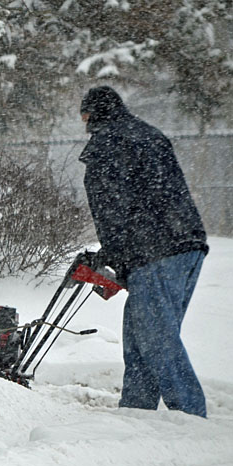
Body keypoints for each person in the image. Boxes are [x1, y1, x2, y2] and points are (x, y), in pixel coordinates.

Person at [78, 86, 208, 417]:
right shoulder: (146, 134)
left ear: (94, 113)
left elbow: (113, 209)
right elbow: (152, 194)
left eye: (84, 114)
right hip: (187, 245)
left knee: (155, 337)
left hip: (156, 251)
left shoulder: (108, 143)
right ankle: (137, 412)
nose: (83, 122)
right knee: (140, 336)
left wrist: (118, 257)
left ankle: (191, 415)